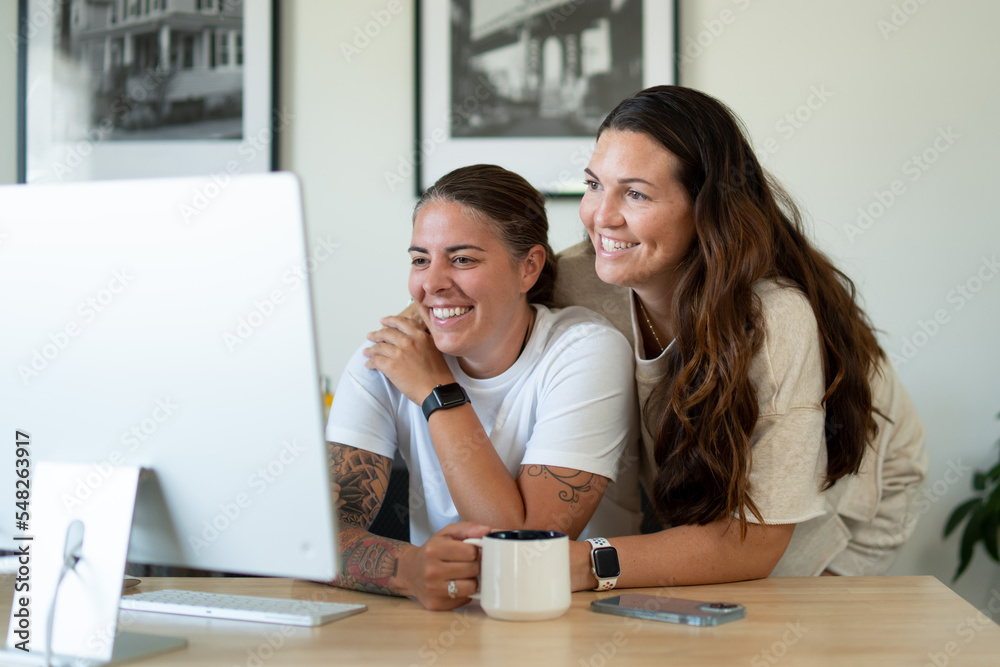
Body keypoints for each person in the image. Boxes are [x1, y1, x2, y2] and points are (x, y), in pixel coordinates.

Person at [552, 85, 928, 590]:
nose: (601, 216)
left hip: (841, 511)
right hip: (704, 515)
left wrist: (567, 565)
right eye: (594, 184)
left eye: (636, 193)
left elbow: (753, 545)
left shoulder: (774, 317)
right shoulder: (582, 277)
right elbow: (463, 295)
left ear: (706, 207)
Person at [326, 164, 640, 610]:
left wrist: (437, 390)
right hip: (447, 622)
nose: (431, 283)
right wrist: (407, 570)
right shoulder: (384, 361)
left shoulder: (586, 352)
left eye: (462, 259)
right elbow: (318, 538)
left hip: (584, 618)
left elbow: (526, 551)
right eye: (420, 260)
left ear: (528, 267)